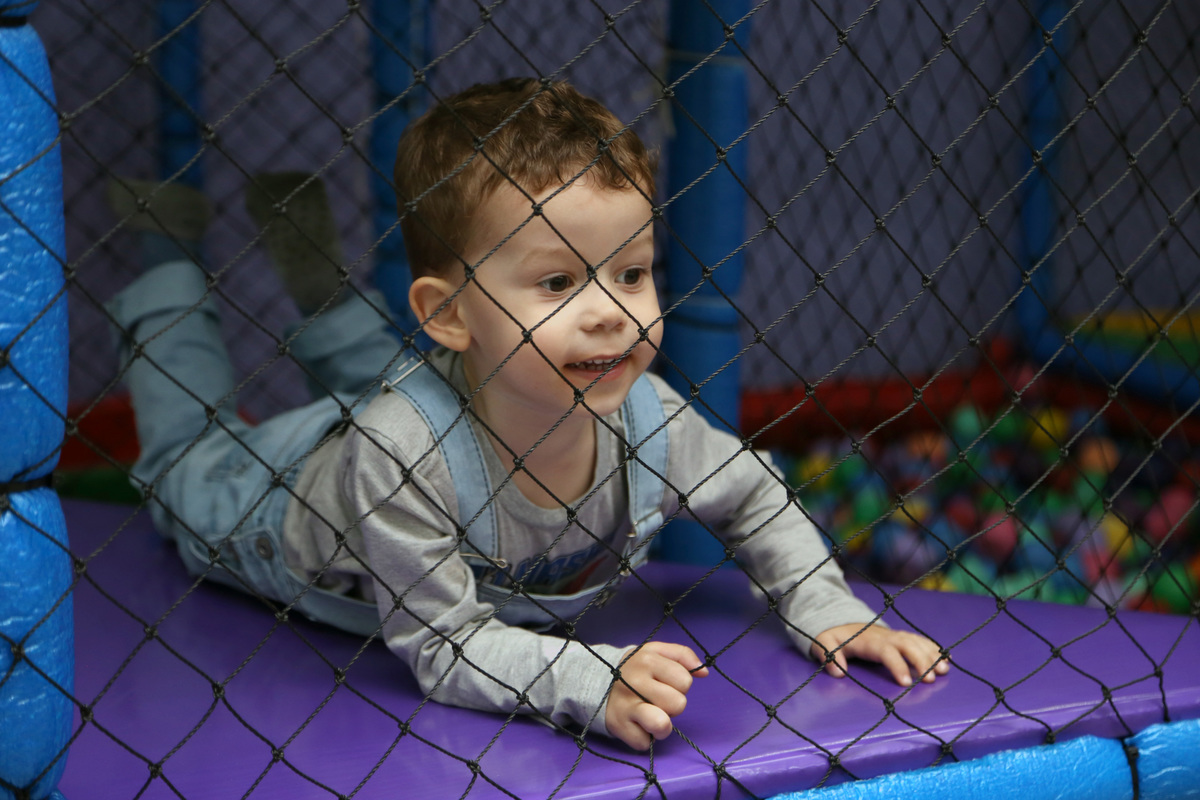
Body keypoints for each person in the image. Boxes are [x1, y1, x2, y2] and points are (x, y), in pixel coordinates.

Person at [109, 78, 949, 753]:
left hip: (455, 397)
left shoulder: (649, 422)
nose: (611, 313)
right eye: (559, 282)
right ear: (446, 312)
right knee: (185, 449)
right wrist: (589, 679)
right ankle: (165, 250)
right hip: (277, 505)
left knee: (406, 383)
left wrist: (828, 607)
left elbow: (756, 493)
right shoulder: (398, 452)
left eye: (631, 272)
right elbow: (443, 644)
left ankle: (315, 276)